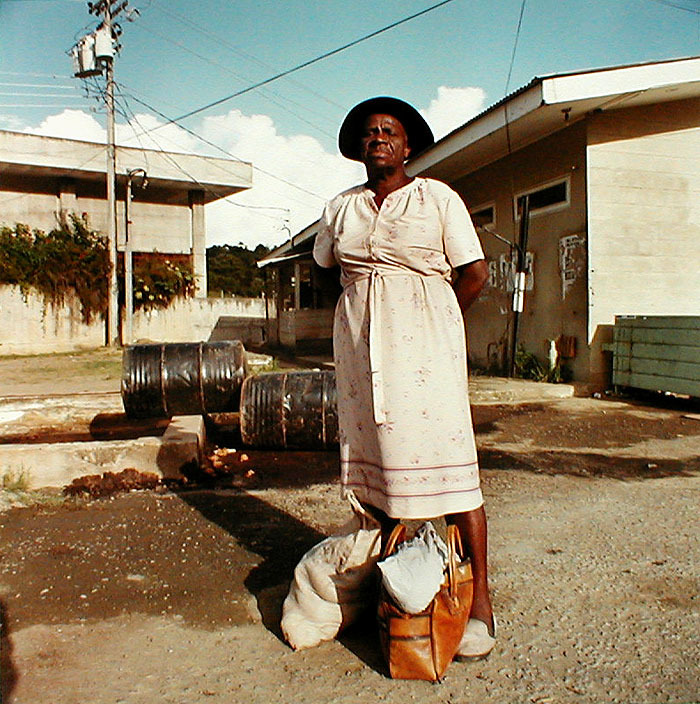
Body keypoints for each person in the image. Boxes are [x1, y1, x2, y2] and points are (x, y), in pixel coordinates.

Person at [313, 96, 495, 659]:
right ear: (360, 148)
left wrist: (433, 322)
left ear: (407, 144)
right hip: (362, 356)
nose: (378, 138)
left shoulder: (437, 197)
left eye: (388, 131)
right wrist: (357, 312)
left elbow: (474, 272)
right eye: (369, 133)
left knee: (452, 468)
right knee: (383, 471)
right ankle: (397, 593)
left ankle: (481, 601)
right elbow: (323, 270)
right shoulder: (341, 207)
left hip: (427, 352)